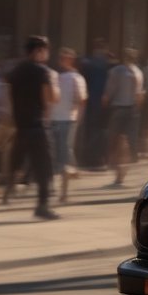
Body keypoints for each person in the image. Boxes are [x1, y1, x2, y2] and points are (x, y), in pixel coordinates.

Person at [4, 35, 57, 220]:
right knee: (43, 166)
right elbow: (49, 98)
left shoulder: (16, 70)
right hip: (38, 125)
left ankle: (9, 188)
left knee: (17, 160)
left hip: (21, 125)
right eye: (45, 50)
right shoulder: (42, 71)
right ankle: (42, 206)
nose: (47, 53)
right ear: (38, 51)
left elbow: (9, 95)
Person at [50, 46, 88, 205]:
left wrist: (78, 118)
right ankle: (55, 184)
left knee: (65, 151)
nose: (62, 60)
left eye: (65, 57)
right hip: (54, 118)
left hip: (68, 119)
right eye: (61, 57)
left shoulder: (76, 78)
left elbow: (81, 99)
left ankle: (64, 192)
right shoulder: (55, 76)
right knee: (54, 151)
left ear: (71, 60)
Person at [103, 46, 143, 186]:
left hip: (118, 108)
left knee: (115, 140)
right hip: (132, 109)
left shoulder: (116, 71)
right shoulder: (138, 72)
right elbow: (139, 95)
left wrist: (105, 102)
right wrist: (136, 110)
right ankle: (122, 172)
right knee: (125, 142)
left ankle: (116, 172)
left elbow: (109, 92)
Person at [80, 39, 112, 168]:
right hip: (105, 102)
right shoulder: (108, 64)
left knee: (91, 130)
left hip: (90, 100)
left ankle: (89, 159)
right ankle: (100, 159)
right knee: (102, 131)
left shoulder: (87, 62)